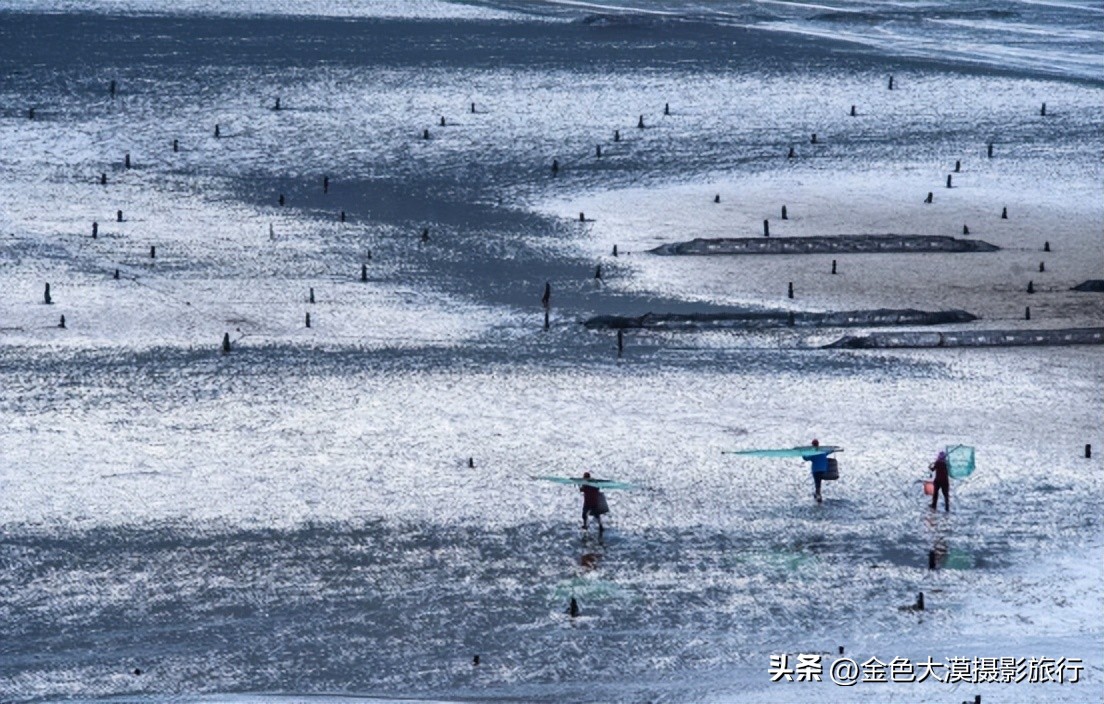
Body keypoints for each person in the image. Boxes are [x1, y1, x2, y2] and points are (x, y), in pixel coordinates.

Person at [802, 439, 829, 503]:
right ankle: (817, 495)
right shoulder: (823, 452)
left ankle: (818, 496)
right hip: (823, 470)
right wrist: (833, 450)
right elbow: (829, 451)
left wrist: (802, 453)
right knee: (818, 483)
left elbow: (806, 458)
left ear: (813, 445)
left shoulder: (813, 454)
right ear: (818, 444)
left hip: (816, 471)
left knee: (817, 483)